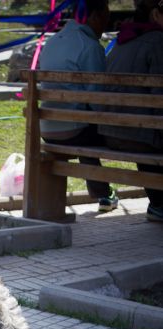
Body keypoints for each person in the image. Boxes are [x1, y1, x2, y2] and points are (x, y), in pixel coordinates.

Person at [39, 0, 119, 213]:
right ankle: (155, 199)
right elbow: (98, 101)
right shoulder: (90, 46)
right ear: (93, 16)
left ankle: (103, 194)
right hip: (75, 131)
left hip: (47, 129)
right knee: (114, 131)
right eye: (105, 18)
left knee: (84, 126)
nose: (106, 24)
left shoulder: (52, 41)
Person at [99, 0, 163, 223]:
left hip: (112, 132)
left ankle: (158, 203)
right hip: (140, 135)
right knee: (152, 130)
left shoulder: (121, 40)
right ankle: (159, 203)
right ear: (156, 15)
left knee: (146, 127)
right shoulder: (157, 41)